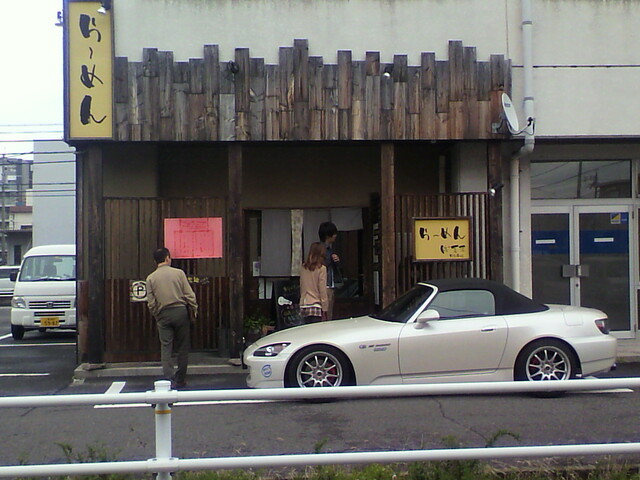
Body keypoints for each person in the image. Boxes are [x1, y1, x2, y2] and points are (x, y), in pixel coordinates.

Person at [146, 247, 198, 390]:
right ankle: (180, 379)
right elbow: (189, 295)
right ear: (167, 258)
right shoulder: (178, 273)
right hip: (180, 311)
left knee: (166, 347)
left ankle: (169, 378)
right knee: (183, 347)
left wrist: (156, 314)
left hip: (163, 313)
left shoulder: (151, 278)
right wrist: (194, 309)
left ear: (155, 261)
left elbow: (151, 302)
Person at [299, 242, 329, 323]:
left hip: (304, 304)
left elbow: (302, 285)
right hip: (316, 304)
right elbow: (322, 289)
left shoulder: (303, 267)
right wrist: (325, 307)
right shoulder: (322, 269)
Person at [318, 221, 341, 320]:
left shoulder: (328, 249)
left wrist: (336, 261)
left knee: (327, 314)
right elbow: (321, 266)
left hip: (328, 285)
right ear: (328, 235)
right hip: (325, 286)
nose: (335, 236)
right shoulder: (323, 250)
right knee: (327, 315)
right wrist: (332, 260)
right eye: (334, 233)